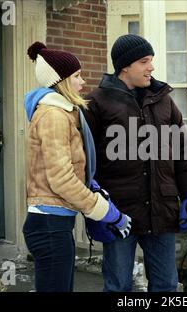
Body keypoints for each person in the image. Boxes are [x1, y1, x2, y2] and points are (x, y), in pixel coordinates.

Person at [84, 34, 187, 292]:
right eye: (145, 61)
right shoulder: (97, 102)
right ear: (125, 66)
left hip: (161, 210)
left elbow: (182, 151)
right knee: (118, 286)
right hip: (118, 213)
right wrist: (93, 209)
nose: (152, 67)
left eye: (151, 61)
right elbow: (85, 161)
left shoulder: (164, 101)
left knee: (166, 285)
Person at [22, 42, 131, 292]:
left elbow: (69, 167)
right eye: (76, 76)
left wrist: (90, 184)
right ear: (60, 82)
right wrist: (106, 212)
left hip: (56, 224)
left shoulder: (63, 113)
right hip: (50, 226)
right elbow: (61, 179)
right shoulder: (54, 116)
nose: (82, 82)